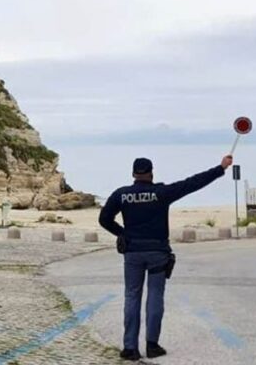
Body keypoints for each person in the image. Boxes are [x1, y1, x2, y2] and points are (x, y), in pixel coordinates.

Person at [99, 155, 233, 361]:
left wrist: (122, 233)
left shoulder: (121, 194)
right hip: (157, 253)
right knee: (155, 296)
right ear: (151, 173)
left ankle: (130, 348)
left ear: (134, 174)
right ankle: (152, 345)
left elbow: (104, 219)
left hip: (133, 253)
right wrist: (220, 168)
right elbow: (192, 183)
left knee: (131, 296)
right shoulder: (161, 193)